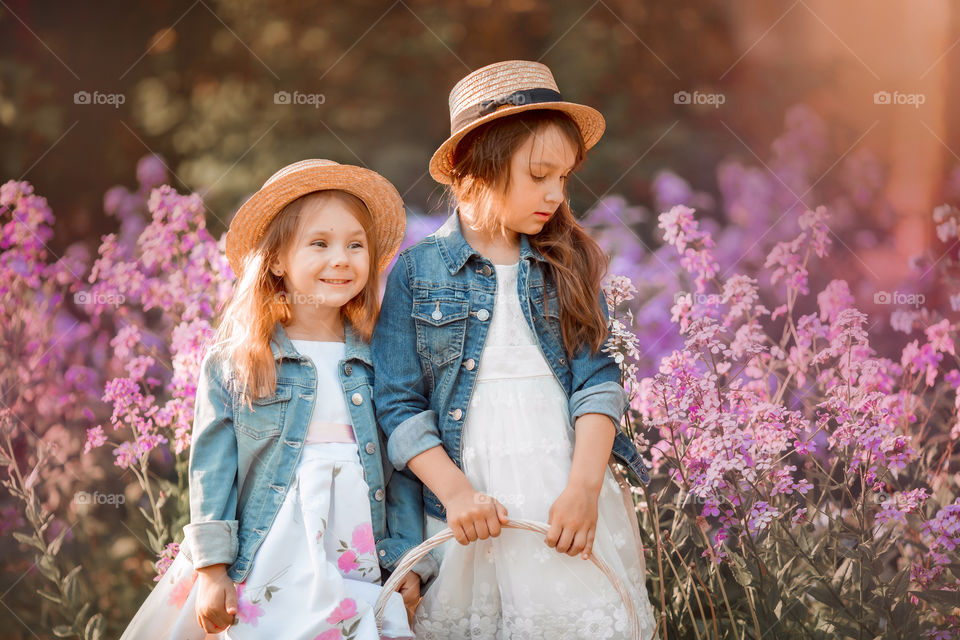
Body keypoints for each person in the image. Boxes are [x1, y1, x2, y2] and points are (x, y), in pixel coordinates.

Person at [371, 60, 658, 639]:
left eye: (564, 177)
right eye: (538, 174)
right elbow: (398, 403)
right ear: (475, 170)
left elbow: (597, 381)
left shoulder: (566, 263)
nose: (556, 193)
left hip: (564, 496)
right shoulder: (417, 272)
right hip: (467, 506)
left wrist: (583, 489)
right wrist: (456, 495)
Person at [121, 159, 433, 640]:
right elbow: (213, 470)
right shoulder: (239, 360)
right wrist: (212, 570)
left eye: (356, 244)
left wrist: (409, 557)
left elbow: (402, 469)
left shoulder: (381, 356)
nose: (341, 259)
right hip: (268, 555)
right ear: (277, 260)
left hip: (356, 555)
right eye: (319, 243)